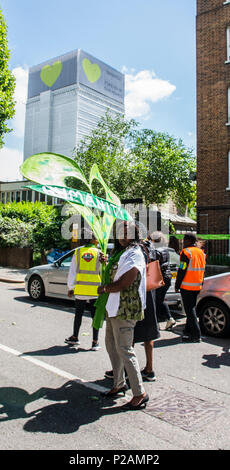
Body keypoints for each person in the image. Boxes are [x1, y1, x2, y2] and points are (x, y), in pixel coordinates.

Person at [97, 221, 149, 410]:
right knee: (112, 347)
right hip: (113, 307)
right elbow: (114, 274)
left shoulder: (135, 253)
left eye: (126, 231)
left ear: (135, 234)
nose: (122, 234)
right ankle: (118, 384)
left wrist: (104, 288)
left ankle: (140, 393)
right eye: (120, 231)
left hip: (126, 309)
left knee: (125, 350)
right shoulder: (121, 253)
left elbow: (126, 282)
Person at [65, 228, 101, 351]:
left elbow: (72, 272)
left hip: (80, 289)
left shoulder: (78, 252)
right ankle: (95, 342)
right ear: (92, 239)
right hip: (95, 290)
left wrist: (71, 288)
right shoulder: (99, 253)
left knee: (78, 315)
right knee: (94, 316)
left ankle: (75, 337)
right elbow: (103, 271)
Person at [175, 232, 206, 343]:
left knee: (190, 310)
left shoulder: (186, 253)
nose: (183, 242)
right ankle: (188, 330)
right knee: (191, 308)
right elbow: (203, 270)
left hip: (187, 286)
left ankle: (196, 335)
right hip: (197, 285)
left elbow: (182, 269)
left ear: (189, 241)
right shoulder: (201, 253)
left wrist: (177, 285)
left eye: (184, 240)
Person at [151, 231, 176, 330]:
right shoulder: (166, 250)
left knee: (156, 301)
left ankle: (156, 323)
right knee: (160, 299)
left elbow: (153, 266)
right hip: (167, 277)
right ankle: (169, 319)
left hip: (159, 278)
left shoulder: (156, 252)